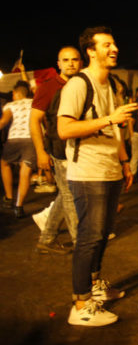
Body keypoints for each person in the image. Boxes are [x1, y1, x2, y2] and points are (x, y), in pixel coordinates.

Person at [57, 26, 138, 326]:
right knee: (89, 237)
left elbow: (115, 131)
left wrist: (125, 163)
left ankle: (94, 286)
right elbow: (64, 128)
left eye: (114, 43)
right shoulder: (79, 84)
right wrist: (108, 118)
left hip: (110, 169)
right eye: (106, 44)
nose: (113, 48)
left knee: (103, 235)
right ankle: (80, 304)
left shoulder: (113, 84)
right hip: (87, 170)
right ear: (91, 51)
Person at [29, 46, 82, 253]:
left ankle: (47, 238)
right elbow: (35, 121)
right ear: (58, 64)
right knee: (70, 194)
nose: (71, 63)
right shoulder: (49, 86)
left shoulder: (82, 84)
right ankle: (80, 243)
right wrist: (41, 152)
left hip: (78, 148)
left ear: (81, 62)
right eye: (66, 60)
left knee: (67, 193)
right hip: (59, 149)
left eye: (75, 59)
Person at [1, 80, 36, 218]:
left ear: (15, 93)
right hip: (31, 140)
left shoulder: (11, 105)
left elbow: (3, 122)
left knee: (4, 163)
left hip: (14, 139)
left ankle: (9, 197)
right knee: (25, 172)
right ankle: (19, 206)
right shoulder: (35, 103)